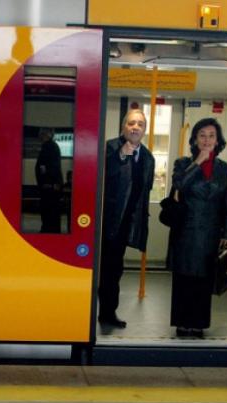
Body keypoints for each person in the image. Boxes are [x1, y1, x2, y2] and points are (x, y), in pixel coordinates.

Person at [165, 117, 227, 338]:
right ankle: (182, 323)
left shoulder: (224, 169)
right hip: (186, 231)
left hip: (211, 233)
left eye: (211, 136)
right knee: (184, 279)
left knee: (204, 281)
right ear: (195, 139)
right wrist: (198, 162)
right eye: (202, 135)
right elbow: (179, 185)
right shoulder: (183, 164)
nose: (207, 140)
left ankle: (199, 323)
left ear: (218, 140)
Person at [98, 108, 155, 328]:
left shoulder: (148, 158)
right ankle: (93, 312)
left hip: (125, 225)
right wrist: (122, 155)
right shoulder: (110, 148)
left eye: (140, 124)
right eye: (131, 123)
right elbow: (102, 176)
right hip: (103, 223)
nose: (135, 127)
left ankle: (108, 313)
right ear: (124, 127)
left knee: (114, 271)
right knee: (101, 270)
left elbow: (143, 193)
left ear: (144, 130)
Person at [34, 128, 63, 233]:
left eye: (41, 134)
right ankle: (50, 230)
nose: (39, 136)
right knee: (52, 213)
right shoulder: (52, 146)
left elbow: (49, 167)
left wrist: (48, 183)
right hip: (51, 186)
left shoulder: (49, 147)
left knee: (48, 212)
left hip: (49, 187)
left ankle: (48, 231)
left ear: (47, 135)